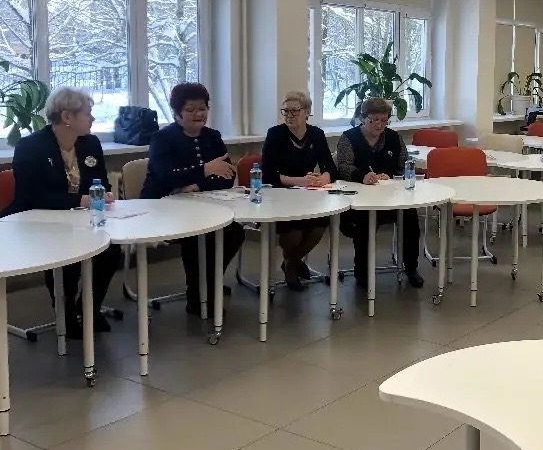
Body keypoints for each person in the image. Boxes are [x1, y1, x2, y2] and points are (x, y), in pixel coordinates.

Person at [1, 87, 122, 338]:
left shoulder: (90, 143)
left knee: (111, 251)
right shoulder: (31, 147)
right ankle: (65, 315)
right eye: (87, 113)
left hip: (79, 219)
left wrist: (105, 194)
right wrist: (81, 199)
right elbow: (31, 197)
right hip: (35, 222)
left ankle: (89, 307)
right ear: (67, 117)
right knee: (68, 255)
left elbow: (100, 181)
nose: (92, 118)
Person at [140, 82, 245, 315]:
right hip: (161, 209)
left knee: (234, 232)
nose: (198, 114)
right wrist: (205, 170)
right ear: (177, 113)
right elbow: (165, 178)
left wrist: (195, 184)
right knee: (199, 234)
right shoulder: (162, 138)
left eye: (202, 108)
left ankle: (207, 283)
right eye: (190, 109)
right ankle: (199, 293)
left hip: (204, 206)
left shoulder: (213, 137)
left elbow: (227, 177)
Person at [334, 97, 423, 288]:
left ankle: (411, 267)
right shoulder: (349, 138)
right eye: (374, 120)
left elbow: (404, 166)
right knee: (364, 221)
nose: (379, 125)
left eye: (384, 120)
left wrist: (391, 176)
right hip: (359, 199)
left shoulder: (394, 138)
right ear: (363, 118)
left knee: (410, 215)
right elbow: (343, 166)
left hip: (390, 196)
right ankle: (362, 271)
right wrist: (362, 175)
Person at [261, 90, 337, 290]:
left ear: (307, 112)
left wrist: (324, 178)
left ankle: (291, 262)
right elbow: (268, 175)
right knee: (293, 233)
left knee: (319, 227)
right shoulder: (275, 134)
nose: (289, 115)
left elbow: (331, 167)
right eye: (285, 111)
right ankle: (292, 266)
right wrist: (300, 181)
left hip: (308, 196)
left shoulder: (316, 134)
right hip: (280, 195)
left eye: (295, 111)